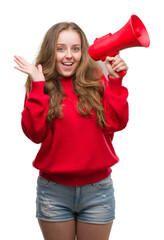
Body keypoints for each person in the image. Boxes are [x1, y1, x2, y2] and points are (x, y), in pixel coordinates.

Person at [14, 22, 129, 240]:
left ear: (83, 52)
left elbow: (117, 124)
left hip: (98, 191)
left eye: (75, 48)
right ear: (50, 51)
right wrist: (37, 87)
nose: (69, 56)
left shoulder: (98, 82)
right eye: (61, 48)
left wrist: (114, 82)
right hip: (53, 192)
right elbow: (34, 134)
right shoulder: (40, 86)